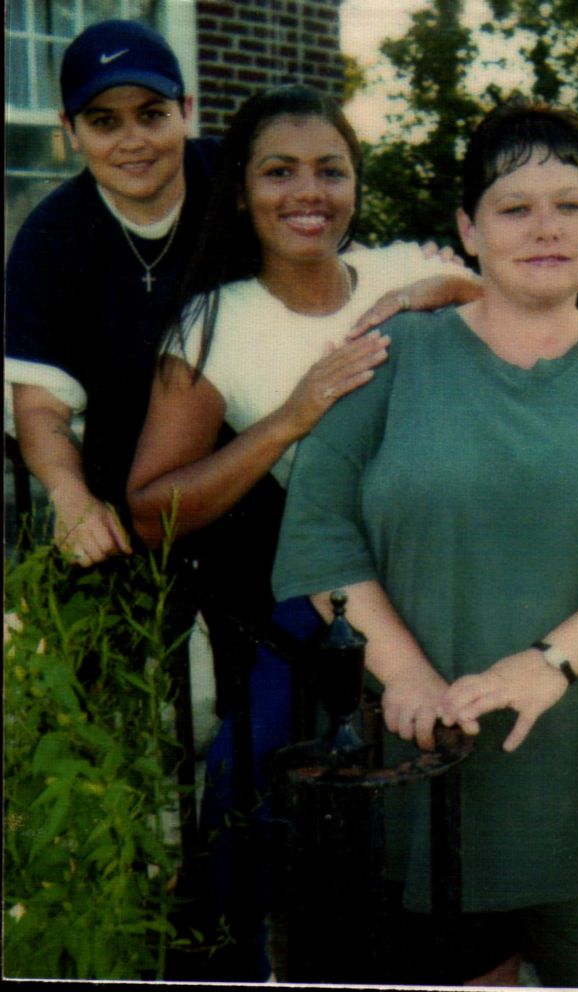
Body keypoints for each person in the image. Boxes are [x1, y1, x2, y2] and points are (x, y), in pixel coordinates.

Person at [271, 100, 578, 988]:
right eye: (514, 209)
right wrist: (403, 676)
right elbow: (322, 539)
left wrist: (545, 665)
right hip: (426, 800)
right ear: (467, 230)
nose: (545, 228)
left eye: (570, 203)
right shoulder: (390, 357)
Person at [125, 83, 482, 979]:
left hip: (451, 575)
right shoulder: (219, 324)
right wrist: (290, 416)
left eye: (330, 170)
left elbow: (506, 295)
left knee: (460, 815)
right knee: (248, 807)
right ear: (242, 192)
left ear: (358, 185)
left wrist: (443, 287)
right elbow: (149, 508)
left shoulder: (401, 274)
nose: (307, 193)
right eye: (278, 173)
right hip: (326, 601)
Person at [6, 19, 220, 564]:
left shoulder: (236, 184)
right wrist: (70, 495)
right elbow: (40, 409)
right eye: (104, 122)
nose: (133, 141)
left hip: (260, 490)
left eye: (151, 114)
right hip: (127, 508)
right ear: (70, 130)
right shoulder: (51, 237)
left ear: (186, 111)